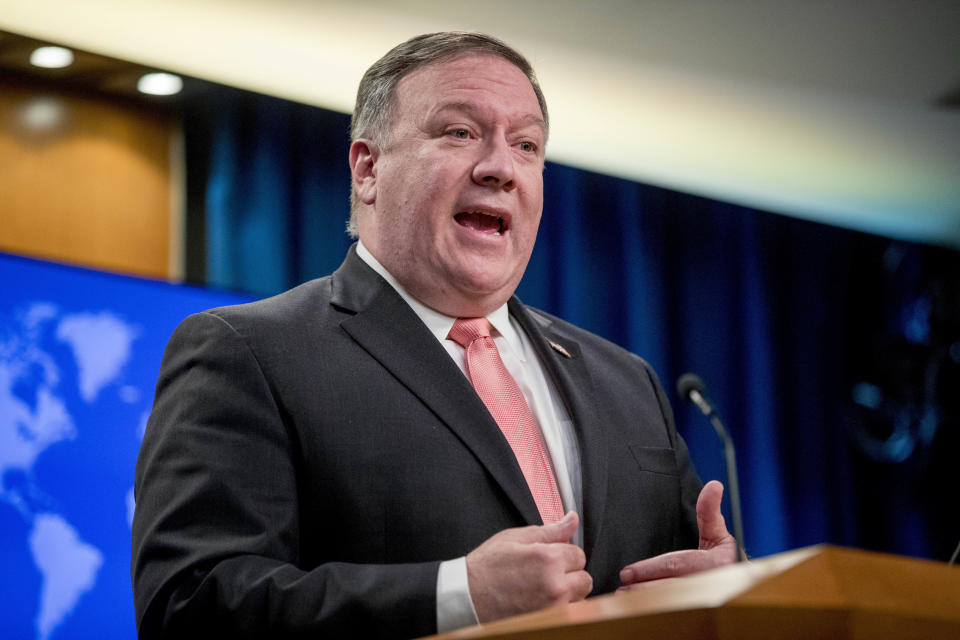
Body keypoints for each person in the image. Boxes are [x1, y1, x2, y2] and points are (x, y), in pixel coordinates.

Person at [131, 32, 736, 639]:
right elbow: (190, 605)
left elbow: (694, 570)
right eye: (460, 133)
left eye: (526, 145)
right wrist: (458, 594)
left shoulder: (626, 380)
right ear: (368, 168)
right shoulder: (249, 352)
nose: (500, 167)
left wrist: (726, 587)